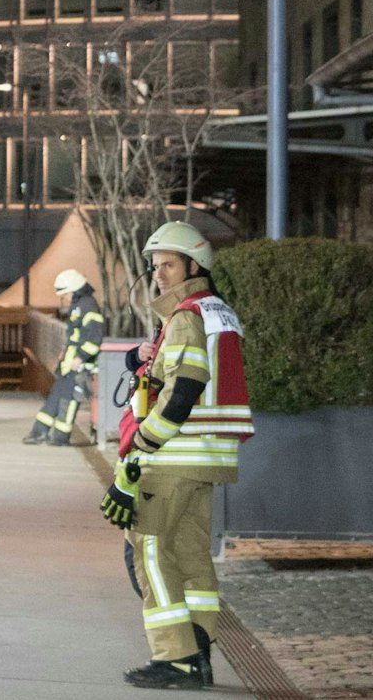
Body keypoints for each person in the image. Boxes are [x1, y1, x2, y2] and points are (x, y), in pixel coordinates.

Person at [100, 221, 253, 690]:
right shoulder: (216, 312)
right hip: (205, 457)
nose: (158, 274)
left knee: (148, 551)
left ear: (194, 265)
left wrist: (143, 444)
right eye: (155, 265)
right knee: (191, 556)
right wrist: (143, 356)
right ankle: (201, 652)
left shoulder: (185, 316)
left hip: (171, 457)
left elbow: (184, 386)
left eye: (167, 264)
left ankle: (176, 657)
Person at [24, 268, 105, 446]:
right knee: (58, 397)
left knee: (67, 401)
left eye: (66, 294)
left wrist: (80, 357)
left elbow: (94, 338)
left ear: (74, 290)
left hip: (79, 365)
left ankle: (57, 437)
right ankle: (41, 432)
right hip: (70, 363)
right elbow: (76, 336)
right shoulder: (80, 306)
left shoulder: (87, 306)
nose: (65, 298)